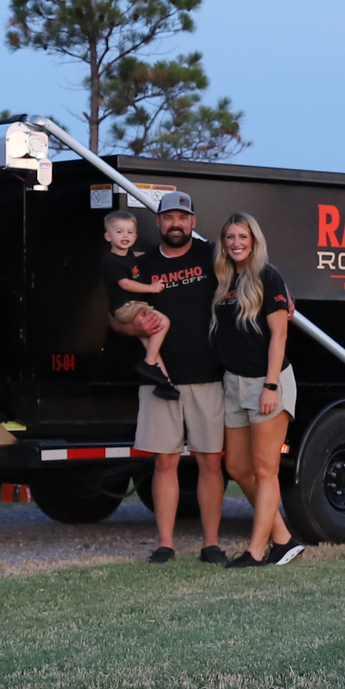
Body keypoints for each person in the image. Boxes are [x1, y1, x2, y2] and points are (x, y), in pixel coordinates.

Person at [115, 191, 227, 563]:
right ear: (158, 223)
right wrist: (133, 328)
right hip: (159, 378)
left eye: (183, 217)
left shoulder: (211, 256)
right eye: (168, 218)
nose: (175, 224)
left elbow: (254, 276)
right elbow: (116, 316)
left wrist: (285, 298)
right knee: (165, 462)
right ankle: (166, 544)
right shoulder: (141, 266)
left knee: (211, 462)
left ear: (193, 222)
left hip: (208, 377)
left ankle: (211, 544)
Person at [211, 211, 307, 568]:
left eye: (242, 237)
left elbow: (279, 335)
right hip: (233, 383)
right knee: (237, 466)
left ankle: (255, 551)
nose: (236, 243)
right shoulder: (223, 279)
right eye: (230, 237)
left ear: (254, 241)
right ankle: (282, 539)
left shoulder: (268, 276)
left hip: (267, 382)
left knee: (265, 469)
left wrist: (270, 386)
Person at [98, 208, 177, 396]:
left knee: (151, 342)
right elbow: (125, 283)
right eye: (119, 232)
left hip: (131, 307)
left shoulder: (129, 255)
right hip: (126, 307)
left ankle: (164, 383)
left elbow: (137, 257)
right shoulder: (110, 261)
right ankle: (149, 363)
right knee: (163, 322)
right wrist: (152, 288)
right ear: (108, 236)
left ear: (135, 237)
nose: (125, 236)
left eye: (129, 232)